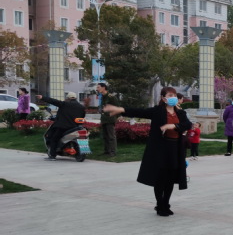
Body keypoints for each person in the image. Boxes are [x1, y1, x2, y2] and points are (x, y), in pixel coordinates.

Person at [102, 87, 191, 215]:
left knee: (170, 178)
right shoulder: (158, 111)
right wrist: (121, 109)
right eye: (170, 95)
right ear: (164, 98)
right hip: (161, 149)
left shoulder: (180, 113)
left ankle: (166, 204)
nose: (173, 97)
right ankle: (160, 205)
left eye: (175, 95)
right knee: (160, 178)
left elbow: (187, 124)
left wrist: (173, 126)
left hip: (175, 149)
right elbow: (140, 112)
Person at [37, 91, 86, 160]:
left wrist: (43, 98)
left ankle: (52, 155)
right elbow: (82, 116)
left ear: (68, 98)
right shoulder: (81, 107)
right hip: (76, 127)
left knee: (54, 139)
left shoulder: (64, 104)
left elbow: (53, 101)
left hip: (63, 127)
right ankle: (83, 151)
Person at [95, 83, 120, 157]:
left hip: (110, 119)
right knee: (105, 136)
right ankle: (107, 151)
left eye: (98, 87)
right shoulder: (102, 97)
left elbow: (117, 108)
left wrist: (115, 117)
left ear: (103, 88)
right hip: (104, 119)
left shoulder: (111, 97)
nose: (97, 89)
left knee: (111, 136)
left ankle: (112, 152)